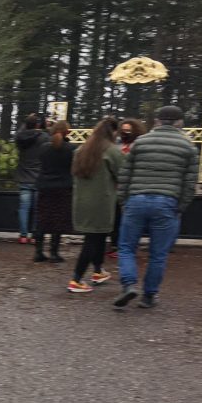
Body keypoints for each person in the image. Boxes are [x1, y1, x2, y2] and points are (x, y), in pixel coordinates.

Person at [114, 105, 198, 309]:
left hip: (136, 199)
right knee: (158, 253)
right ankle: (149, 295)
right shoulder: (188, 147)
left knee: (126, 247)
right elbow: (190, 183)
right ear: (180, 123)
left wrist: (123, 201)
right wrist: (181, 206)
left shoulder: (140, 142)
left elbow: (125, 175)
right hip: (167, 201)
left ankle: (128, 284)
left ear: (157, 121)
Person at [68, 117, 123, 293]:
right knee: (92, 240)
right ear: (113, 132)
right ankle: (76, 279)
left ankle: (98, 271)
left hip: (82, 201)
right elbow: (122, 174)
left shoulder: (81, 150)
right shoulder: (112, 151)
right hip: (102, 202)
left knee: (98, 236)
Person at [33, 120, 76, 263]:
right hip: (63, 188)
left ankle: (38, 252)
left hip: (44, 187)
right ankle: (54, 252)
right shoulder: (71, 149)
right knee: (58, 219)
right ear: (67, 132)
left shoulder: (44, 148)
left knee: (42, 218)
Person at [109, 118, 146, 256]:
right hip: (116, 186)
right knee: (116, 216)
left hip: (133, 186)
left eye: (128, 130)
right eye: (123, 130)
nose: (125, 133)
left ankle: (129, 244)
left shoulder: (138, 145)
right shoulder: (116, 144)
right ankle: (115, 243)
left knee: (131, 218)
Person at [15, 114, 49, 244]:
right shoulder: (44, 137)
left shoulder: (20, 137)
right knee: (37, 209)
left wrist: (26, 122)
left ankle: (23, 236)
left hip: (24, 177)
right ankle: (35, 235)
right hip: (39, 177)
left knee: (23, 208)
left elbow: (19, 133)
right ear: (38, 124)